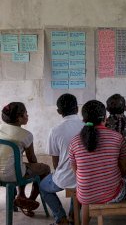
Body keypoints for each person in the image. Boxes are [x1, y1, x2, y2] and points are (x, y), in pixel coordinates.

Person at [68, 100, 126, 225]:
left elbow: (76, 171)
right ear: (105, 118)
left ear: (83, 120)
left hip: (85, 195)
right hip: (113, 194)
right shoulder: (117, 137)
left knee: (86, 196)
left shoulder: (74, 141)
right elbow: (124, 170)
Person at [39, 94, 83, 225]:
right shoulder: (87, 126)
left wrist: (59, 172)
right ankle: (73, 215)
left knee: (43, 186)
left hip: (64, 177)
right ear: (77, 109)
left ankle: (61, 218)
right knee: (78, 185)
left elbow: (55, 161)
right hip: (85, 177)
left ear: (59, 112)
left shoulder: (55, 130)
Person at [0, 102, 50, 217]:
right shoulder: (26, 135)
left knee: (22, 166)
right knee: (44, 169)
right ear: (19, 118)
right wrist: (36, 167)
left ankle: (21, 195)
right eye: (26, 114)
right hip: (13, 174)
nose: (28, 116)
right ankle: (29, 201)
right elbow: (32, 158)